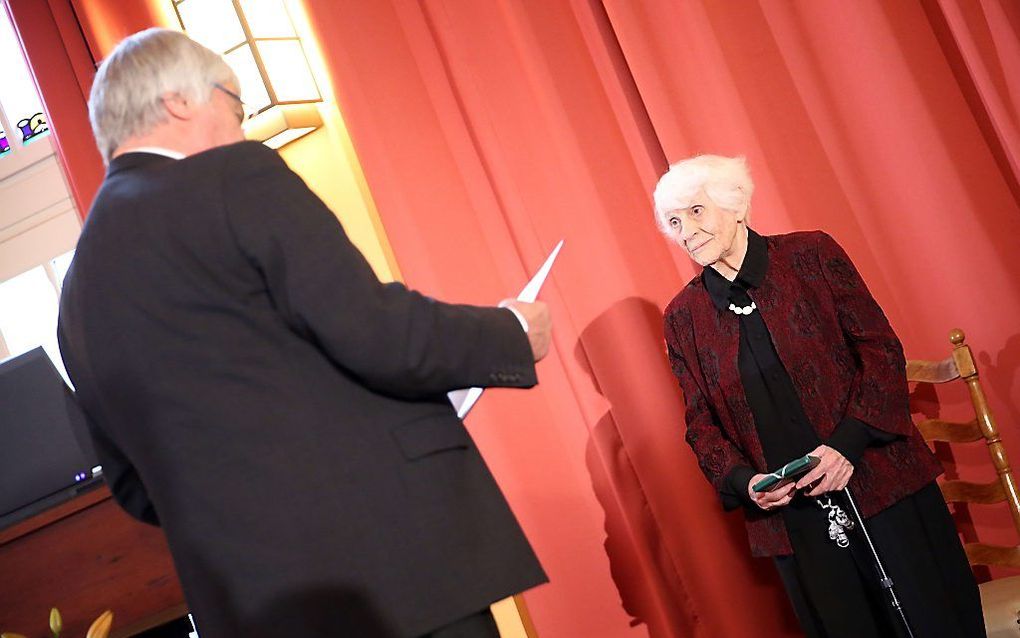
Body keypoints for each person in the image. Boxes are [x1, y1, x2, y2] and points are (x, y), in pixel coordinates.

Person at [57, 28, 552, 638]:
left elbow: (133, 485)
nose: (240, 130)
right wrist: (508, 333)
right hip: (391, 573)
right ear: (179, 102)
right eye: (235, 108)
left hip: (255, 611)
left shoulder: (75, 296)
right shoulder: (233, 176)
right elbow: (376, 334)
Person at [656, 155, 985, 637]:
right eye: (675, 222)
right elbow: (701, 425)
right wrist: (747, 482)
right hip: (794, 519)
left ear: (737, 204)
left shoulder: (810, 254)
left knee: (934, 616)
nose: (687, 231)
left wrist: (846, 446)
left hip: (881, 480)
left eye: (696, 211)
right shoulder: (682, 318)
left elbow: (880, 350)